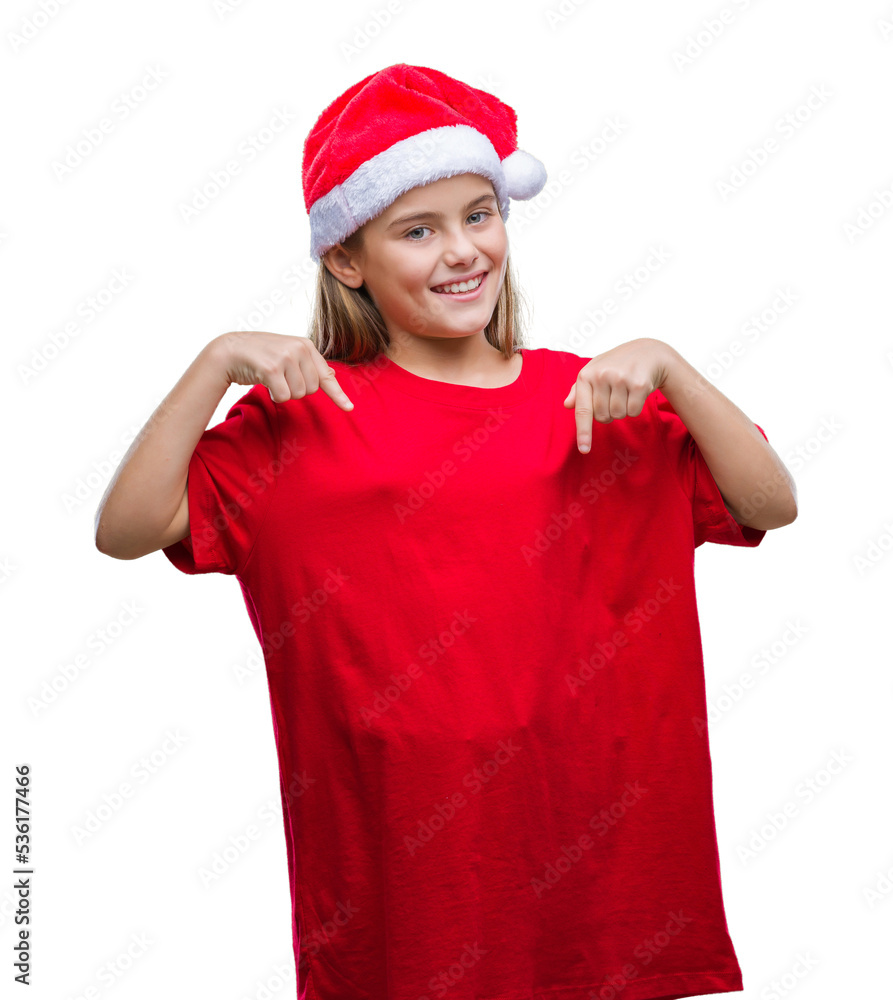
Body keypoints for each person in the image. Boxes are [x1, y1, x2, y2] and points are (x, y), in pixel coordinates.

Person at [94, 63, 797, 1000]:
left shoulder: (595, 397)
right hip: (412, 914)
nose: (462, 250)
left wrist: (672, 367)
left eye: (479, 214)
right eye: (417, 230)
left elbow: (768, 503)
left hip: (611, 904)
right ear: (347, 258)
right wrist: (216, 362)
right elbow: (127, 529)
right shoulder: (304, 419)